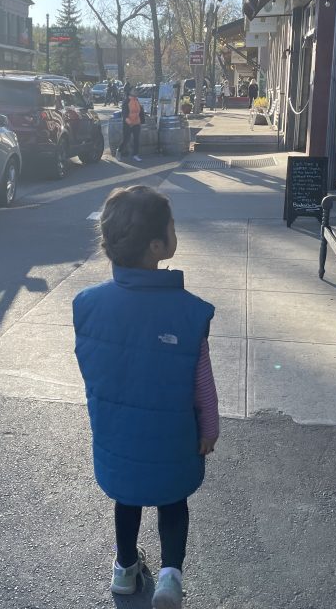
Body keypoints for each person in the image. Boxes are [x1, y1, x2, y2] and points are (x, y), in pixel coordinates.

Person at [72, 186, 219, 609]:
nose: (175, 232)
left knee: (127, 497)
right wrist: (208, 427)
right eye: (171, 227)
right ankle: (171, 575)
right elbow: (201, 382)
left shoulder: (88, 304)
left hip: (117, 433)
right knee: (173, 501)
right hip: (172, 436)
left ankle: (124, 568)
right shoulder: (189, 312)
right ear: (157, 246)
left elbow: (92, 366)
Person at [117, 89, 145, 161]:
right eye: (134, 91)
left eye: (136, 91)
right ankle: (119, 152)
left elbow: (140, 111)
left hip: (136, 123)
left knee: (136, 140)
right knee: (126, 139)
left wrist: (142, 121)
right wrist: (130, 123)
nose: (136, 91)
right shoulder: (126, 101)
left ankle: (135, 155)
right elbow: (125, 114)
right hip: (128, 124)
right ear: (130, 92)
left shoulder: (137, 100)